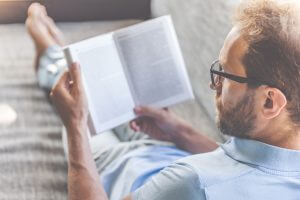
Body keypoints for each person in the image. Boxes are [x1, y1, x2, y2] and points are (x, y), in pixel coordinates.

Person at [26, 0, 300, 199]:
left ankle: (49, 54)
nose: (213, 83)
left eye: (225, 75)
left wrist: (75, 127)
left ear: (269, 102)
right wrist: (179, 130)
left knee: (76, 96)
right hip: (170, 148)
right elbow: (243, 166)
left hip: (117, 166)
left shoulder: (193, 185)